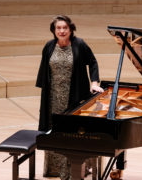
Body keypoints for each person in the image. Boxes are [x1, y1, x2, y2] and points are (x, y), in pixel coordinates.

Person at [35, 15, 104, 180]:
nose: (62, 31)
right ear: (54, 30)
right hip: (53, 97)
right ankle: (54, 169)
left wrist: (94, 83)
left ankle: (73, 170)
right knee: (54, 130)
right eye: (58, 28)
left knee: (72, 132)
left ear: (71, 29)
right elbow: (45, 72)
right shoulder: (49, 46)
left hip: (75, 96)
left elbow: (93, 62)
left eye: (65, 27)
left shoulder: (79, 44)